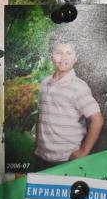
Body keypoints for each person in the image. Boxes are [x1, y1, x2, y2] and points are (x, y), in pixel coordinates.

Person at [33, 34, 103, 169]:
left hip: (65, 159)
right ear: (51, 56)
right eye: (58, 52)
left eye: (69, 53)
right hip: (41, 156)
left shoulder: (78, 87)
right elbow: (42, 117)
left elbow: (97, 120)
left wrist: (84, 151)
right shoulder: (45, 83)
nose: (64, 57)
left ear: (76, 58)